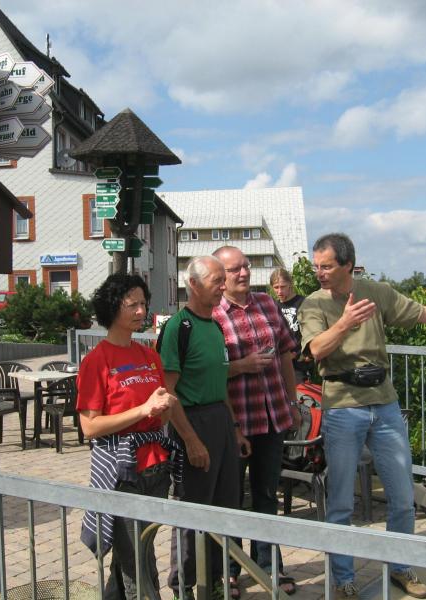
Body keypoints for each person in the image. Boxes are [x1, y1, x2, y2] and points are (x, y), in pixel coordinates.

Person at [298, 233, 426, 599]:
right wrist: (345, 322)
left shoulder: (375, 292)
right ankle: (343, 579)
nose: (319, 272)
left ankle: (400, 567)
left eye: (326, 266)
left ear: (348, 265)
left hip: (384, 404)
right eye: (317, 266)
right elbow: (316, 349)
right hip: (343, 406)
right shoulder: (314, 304)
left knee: (401, 496)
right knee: (341, 501)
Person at [76, 273, 181, 600]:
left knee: (132, 553)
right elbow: (90, 427)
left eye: (144, 304)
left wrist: (164, 406)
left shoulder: (149, 355)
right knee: (140, 564)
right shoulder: (96, 361)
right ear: (112, 307)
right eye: (132, 304)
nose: (141, 311)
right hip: (121, 473)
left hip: (155, 470)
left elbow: (160, 416)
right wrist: (143, 410)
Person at [212, 247, 301, 597]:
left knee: (266, 495)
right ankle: (229, 569)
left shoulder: (267, 304)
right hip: (236, 422)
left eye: (246, 266)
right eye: (235, 269)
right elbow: (206, 373)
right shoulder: (213, 313)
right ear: (220, 276)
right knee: (232, 497)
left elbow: (285, 356)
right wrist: (240, 366)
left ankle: (269, 566)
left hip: (273, 415)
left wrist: (292, 402)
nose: (244, 273)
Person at [160, 255, 249, 600]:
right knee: (192, 511)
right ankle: (183, 587)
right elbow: (168, 393)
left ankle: (213, 583)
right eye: (217, 281)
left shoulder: (214, 327)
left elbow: (220, 384)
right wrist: (191, 440)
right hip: (192, 422)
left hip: (220, 422)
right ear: (194, 285)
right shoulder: (178, 328)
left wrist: (235, 429)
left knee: (224, 508)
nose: (223, 286)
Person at [270, 267, 309, 383]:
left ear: (290, 284)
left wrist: (299, 354)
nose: (279, 291)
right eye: (276, 287)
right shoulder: (273, 306)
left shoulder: (303, 302)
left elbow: (309, 332)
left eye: (283, 287)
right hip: (279, 364)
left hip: (298, 365)